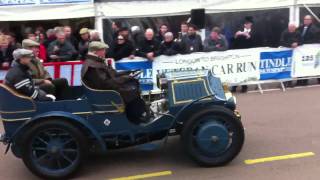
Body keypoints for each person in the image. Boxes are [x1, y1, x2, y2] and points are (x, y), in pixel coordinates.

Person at [81, 41, 149, 123]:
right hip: (105, 94)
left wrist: (128, 72)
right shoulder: (93, 66)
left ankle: (137, 115)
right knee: (132, 90)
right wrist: (126, 78)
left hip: (107, 90)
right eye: (103, 50)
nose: (105, 52)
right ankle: (136, 118)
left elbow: (113, 74)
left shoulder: (96, 62)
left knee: (132, 85)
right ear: (95, 51)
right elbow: (106, 84)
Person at [297, 15, 320, 85]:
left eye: (307, 19)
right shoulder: (300, 28)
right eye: (305, 19)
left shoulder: (315, 29)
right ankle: (300, 81)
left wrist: (306, 44)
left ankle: (308, 80)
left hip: (311, 50)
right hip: (301, 51)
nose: (305, 21)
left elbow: (316, 39)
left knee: (313, 64)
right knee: (301, 65)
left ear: (311, 20)